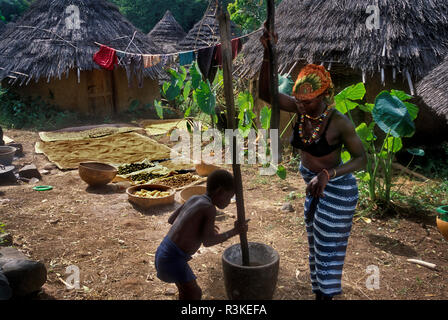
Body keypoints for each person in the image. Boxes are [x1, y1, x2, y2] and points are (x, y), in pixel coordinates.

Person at [259, 27, 367, 300]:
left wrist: (328, 174)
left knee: (328, 252)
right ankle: (320, 294)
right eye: (299, 100)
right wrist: (267, 53)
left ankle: (325, 295)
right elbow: (266, 94)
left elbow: (362, 159)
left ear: (323, 96)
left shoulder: (338, 122)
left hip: (337, 190)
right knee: (316, 249)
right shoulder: (300, 108)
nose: (302, 106)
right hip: (313, 187)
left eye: (308, 101)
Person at [155, 169, 249, 300]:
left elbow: (171, 219)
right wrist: (235, 231)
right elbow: (208, 242)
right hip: (173, 259)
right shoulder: (209, 208)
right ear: (219, 191)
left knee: (186, 291)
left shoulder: (194, 198)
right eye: (228, 197)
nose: (228, 202)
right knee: (194, 294)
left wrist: (200, 226)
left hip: (164, 252)